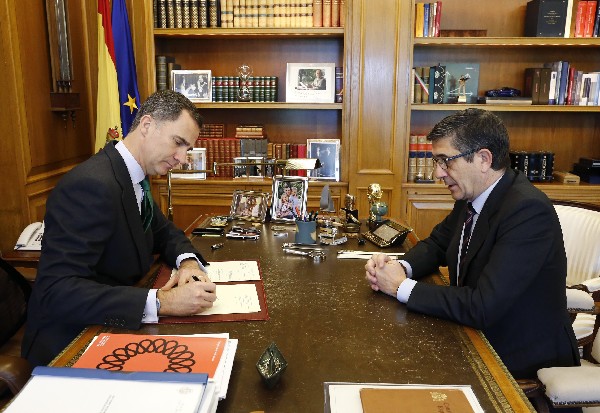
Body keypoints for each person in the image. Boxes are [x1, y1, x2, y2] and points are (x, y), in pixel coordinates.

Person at [365, 109, 580, 385]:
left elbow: (483, 306)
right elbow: (437, 244)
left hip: (518, 355)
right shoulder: (473, 195)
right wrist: (399, 267)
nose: (437, 174)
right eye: (435, 162)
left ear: (483, 159)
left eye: (445, 162)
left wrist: (399, 287)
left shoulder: (527, 211)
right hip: (474, 334)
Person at [22, 90, 217, 367]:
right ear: (147, 126)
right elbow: (58, 291)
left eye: (188, 149)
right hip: (70, 343)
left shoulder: (134, 175)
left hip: (114, 328)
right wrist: (163, 302)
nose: (183, 158)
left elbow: (164, 232)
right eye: (178, 143)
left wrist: (188, 264)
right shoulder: (91, 185)